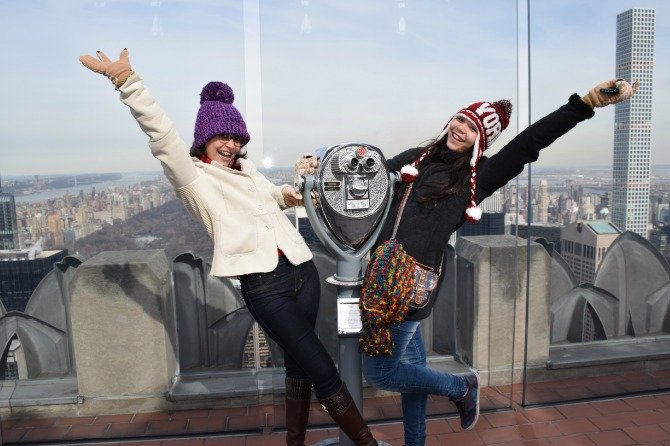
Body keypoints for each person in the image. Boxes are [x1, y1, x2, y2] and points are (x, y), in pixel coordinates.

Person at [296, 78, 638, 446]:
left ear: (481, 140)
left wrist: (585, 103)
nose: (461, 129)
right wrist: (320, 159)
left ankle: (461, 386)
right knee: (413, 372)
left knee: (381, 373)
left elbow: (529, 143)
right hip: (380, 277)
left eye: (472, 128)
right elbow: (371, 170)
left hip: (407, 289)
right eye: (460, 119)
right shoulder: (419, 157)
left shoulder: (478, 178)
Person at [79, 48, 378, 446]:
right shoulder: (194, 179)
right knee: (324, 369)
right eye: (223, 136)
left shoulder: (247, 170)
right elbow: (162, 134)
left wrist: (295, 189)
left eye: (237, 137)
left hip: (302, 272)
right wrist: (128, 83)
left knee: (300, 367)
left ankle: (294, 442)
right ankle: (368, 443)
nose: (231, 144)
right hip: (264, 286)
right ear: (204, 138)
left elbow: (273, 195)